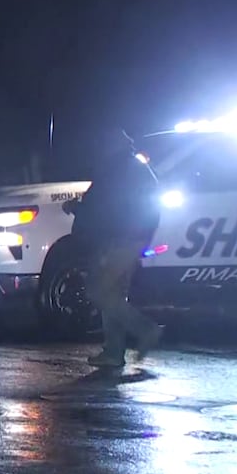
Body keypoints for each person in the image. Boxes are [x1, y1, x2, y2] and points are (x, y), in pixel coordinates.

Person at [70, 130, 163, 367]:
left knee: (97, 291)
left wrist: (75, 208)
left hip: (117, 240)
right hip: (133, 239)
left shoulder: (114, 169)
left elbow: (101, 206)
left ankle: (145, 329)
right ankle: (113, 352)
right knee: (113, 294)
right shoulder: (137, 168)